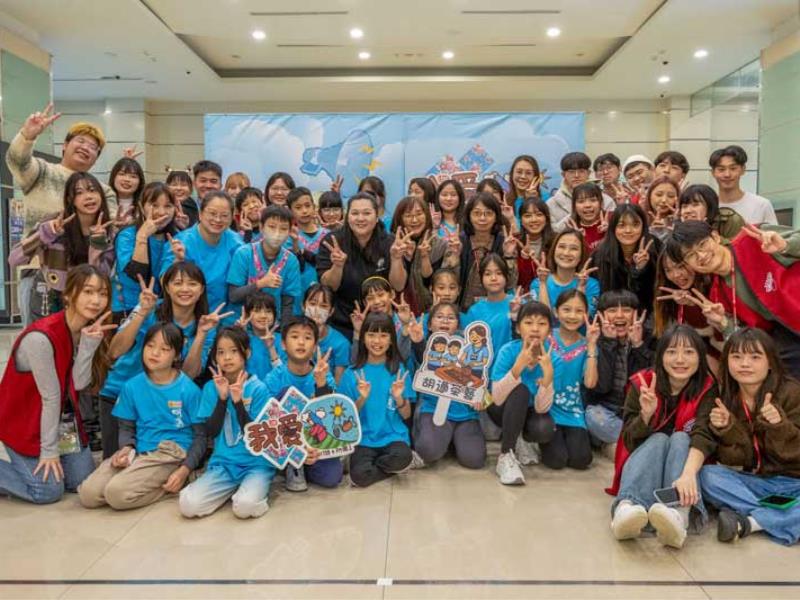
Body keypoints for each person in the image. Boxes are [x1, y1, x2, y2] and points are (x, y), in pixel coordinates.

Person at [0, 265, 115, 504]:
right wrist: (49, 452)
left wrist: (88, 345)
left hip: (61, 422)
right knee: (47, 491)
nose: (96, 300)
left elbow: (78, 384)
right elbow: (51, 398)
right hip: (24, 422)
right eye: (88, 291)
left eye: (102, 293)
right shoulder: (41, 337)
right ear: (68, 294)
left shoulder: (83, 330)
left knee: (80, 481)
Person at [674, 328, 800, 545]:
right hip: (756, 483)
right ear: (727, 361)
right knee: (707, 476)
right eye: (736, 357)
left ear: (770, 362)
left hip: (795, 483)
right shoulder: (722, 396)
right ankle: (777, 517)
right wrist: (729, 429)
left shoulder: (792, 392)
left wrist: (780, 426)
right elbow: (705, 438)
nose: (745, 364)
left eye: (755, 357)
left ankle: (750, 522)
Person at [608, 325, 716, 548]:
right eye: (672, 351)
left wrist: (688, 474)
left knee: (680, 438)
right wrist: (646, 416)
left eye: (689, 352)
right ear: (660, 356)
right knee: (659, 439)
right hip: (645, 466)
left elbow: (703, 435)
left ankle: (679, 515)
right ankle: (627, 508)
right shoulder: (643, 383)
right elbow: (628, 441)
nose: (680, 359)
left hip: (682, 471)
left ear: (700, 357)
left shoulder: (707, 388)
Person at [78, 322, 205, 510]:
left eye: (164, 349)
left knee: (116, 495)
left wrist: (185, 470)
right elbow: (126, 427)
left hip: (171, 452)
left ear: (177, 355)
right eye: (150, 346)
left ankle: (180, 483)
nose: (155, 353)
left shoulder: (188, 389)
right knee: (88, 495)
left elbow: (201, 437)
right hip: (139, 451)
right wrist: (126, 448)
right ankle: (137, 479)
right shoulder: (131, 386)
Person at [100, 262, 221, 457]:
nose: (185, 289)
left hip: (162, 402)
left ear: (201, 290)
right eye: (178, 283)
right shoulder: (149, 308)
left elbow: (188, 375)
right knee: (115, 462)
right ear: (167, 287)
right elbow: (114, 351)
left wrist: (201, 334)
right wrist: (141, 312)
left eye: (192, 284)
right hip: (120, 392)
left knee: (153, 465)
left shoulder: (206, 324)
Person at [667, 220, 800, 377]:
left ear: (715, 236)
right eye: (690, 255)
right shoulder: (717, 295)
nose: (701, 256)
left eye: (702, 244)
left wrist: (786, 246)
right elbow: (745, 337)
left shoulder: (752, 237)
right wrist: (723, 322)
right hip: (787, 342)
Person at [179, 326, 274, 519]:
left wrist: (238, 403)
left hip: (256, 464)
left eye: (234, 351)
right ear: (215, 357)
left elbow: (257, 435)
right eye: (221, 352)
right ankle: (229, 489)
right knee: (188, 505)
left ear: (247, 353)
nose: (227, 357)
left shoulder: (258, 388)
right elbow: (211, 432)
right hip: (223, 464)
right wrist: (222, 399)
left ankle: (250, 492)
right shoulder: (210, 388)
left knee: (244, 508)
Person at [9, 172, 116, 322]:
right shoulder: (53, 224)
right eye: (79, 193)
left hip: (85, 302)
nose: (88, 196)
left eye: (92, 190)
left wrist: (97, 246)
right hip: (50, 299)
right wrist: (45, 234)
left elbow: (101, 277)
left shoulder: (108, 231)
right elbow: (14, 259)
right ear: (70, 199)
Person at [6, 104, 116, 237]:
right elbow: (17, 162)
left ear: (96, 159)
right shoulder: (42, 171)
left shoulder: (103, 191)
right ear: (65, 145)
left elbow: (111, 226)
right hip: (37, 249)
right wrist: (26, 136)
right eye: (81, 141)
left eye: (93, 147)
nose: (85, 148)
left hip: (85, 250)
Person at [261, 316, 339, 492]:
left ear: (315, 345)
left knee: (332, 478)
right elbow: (266, 422)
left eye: (308, 337)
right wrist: (296, 449)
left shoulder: (324, 374)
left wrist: (321, 384)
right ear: (283, 344)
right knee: (286, 393)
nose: (301, 342)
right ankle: (293, 464)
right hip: (287, 439)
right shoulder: (274, 378)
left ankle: (307, 463)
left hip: (316, 438)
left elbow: (331, 418)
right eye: (295, 336)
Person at [316, 193, 408, 339]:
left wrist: (396, 259)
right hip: (343, 322)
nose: (360, 218)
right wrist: (337, 266)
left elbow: (398, 285)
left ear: (377, 217)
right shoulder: (333, 241)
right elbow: (328, 287)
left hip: (381, 322)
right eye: (355, 213)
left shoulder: (389, 242)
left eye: (366, 213)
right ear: (347, 217)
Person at [408, 302, 486, 470]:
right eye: (439, 317)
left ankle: (452, 440)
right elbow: (423, 358)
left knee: (475, 460)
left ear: (458, 324)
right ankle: (442, 438)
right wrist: (418, 341)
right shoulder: (426, 346)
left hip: (465, 414)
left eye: (451, 318)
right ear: (430, 325)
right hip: (433, 410)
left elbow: (480, 379)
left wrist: (480, 399)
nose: (445, 321)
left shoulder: (470, 350)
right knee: (428, 451)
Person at [339, 313, 414, 487]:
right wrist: (361, 398)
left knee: (403, 457)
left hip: (394, 437)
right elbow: (345, 419)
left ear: (391, 340)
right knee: (359, 477)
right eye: (371, 335)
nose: (377, 341)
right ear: (363, 338)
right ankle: (392, 469)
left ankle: (397, 465)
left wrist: (398, 397)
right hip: (363, 439)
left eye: (383, 335)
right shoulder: (351, 373)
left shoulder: (399, 371)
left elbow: (406, 415)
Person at [489, 301, 556, 484]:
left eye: (542, 324)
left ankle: (522, 439)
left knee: (544, 428)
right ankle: (505, 456)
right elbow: (497, 398)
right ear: (518, 328)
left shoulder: (551, 357)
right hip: (502, 408)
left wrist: (548, 377)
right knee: (521, 391)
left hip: (530, 411)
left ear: (549, 331)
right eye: (528, 322)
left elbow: (542, 409)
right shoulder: (508, 351)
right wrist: (517, 367)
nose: (535, 329)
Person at [584, 290, 654, 452]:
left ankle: (618, 444)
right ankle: (637, 442)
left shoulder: (650, 338)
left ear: (636, 314)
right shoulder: (596, 338)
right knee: (592, 416)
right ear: (601, 315)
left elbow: (649, 381)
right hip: (607, 407)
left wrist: (638, 346)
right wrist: (609, 343)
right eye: (612, 310)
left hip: (637, 408)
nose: (620, 315)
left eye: (627, 310)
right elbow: (601, 387)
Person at [539, 289, 599, 471]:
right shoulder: (546, 338)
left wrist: (591, 345)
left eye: (579, 311)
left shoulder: (587, 345)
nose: (572, 316)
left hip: (573, 412)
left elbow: (590, 383)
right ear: (556, 312)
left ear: (586, 314)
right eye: (566, 309)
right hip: (546, 409)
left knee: (582, 460)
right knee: (557, 460)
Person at [160, 191, 244, 318]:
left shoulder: (237, 243)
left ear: (232, 217)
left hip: (225, 317)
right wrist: (177, 260)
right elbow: (164, 283)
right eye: (212, 213)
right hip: (187, 316)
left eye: (224, 215)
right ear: (200, 214)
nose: (218, 219)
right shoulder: (181, 242)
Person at [110, 182, 180, 319]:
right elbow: (136, 274)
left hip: (161, 308)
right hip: (127, 308)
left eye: (168, 206)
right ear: (142, 207)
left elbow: (171, 281)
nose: (161, 212)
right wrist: (142, 236)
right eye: (154, 205)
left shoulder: (177, 237)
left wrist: (178, 260)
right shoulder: (127, 235)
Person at [228, 204, 301, 325]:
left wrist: (283, 332)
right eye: (272, 227)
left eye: (283, 229)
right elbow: (233, 296)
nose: (277, 233)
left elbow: (288, 303)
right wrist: (260, 284)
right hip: (241, 323)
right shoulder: (244, 254)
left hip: (272, 326)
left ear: (289, 232)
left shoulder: (291, 261)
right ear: (261, 227)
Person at [391, 195, 459, 314]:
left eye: (419, 214)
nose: (414, 220)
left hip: (435, 312)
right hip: (401, 311)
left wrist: (453, 254)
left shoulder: (440, 245)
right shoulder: (393, 244)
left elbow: (444, 284)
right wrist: (401, 259)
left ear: (427, 216)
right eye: (408, 215)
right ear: (400, 218)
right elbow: (398, 286)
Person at [457, 192, 520, 310]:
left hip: (496, 308)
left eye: (489, 213)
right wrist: (454, 255)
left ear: (496, 217)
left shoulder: (504, 242)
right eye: (477, 213)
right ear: (469, 216)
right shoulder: (459, 242)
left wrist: (508, 255)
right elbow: (450, 280)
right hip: (463, 309)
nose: (482, 218)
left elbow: (511, 283)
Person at [593, 203, 661, 314]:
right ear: (613, 228)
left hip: (648, 313)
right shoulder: (600, 254)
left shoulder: (655, 247)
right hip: (612, 315)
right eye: (621, 225)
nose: (628, 230)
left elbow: (656, 291)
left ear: (643, 227)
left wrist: (641, 269)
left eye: (635, 225)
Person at [529, 228, 600, 318]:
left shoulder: (591, 285)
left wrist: (581, 287)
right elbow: (542, 319)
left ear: (581, 254)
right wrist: (543, 283)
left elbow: (580, 320)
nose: (566, 253)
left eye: (574, 248)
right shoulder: (538, 283)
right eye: (562, 247)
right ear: (554, 250)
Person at [710, 145, 777, 225]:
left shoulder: (761, 205)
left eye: (733, 168)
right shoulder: (708, 207)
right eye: (721, 169)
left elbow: (773, 233)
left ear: (743, 170)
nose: (727, 174)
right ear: (713, 173)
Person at [547, 152, 614, 227]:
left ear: (588, 173)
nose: (576, 175)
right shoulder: (552, 203)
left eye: (581, 171)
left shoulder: (606, 200)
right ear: (563, 175)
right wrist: (574, 216)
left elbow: (615, 227)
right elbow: (550, 231)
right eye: (571, 172)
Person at [302, 284, 350, 384]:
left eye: (323, 306)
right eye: (312, 304)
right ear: (303, 306)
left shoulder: (341, 344)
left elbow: (338, 385)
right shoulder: (292, 336)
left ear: (331, 311)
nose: (317, 310)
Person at [287, 186, 329, 293]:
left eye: (307, 206)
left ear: (314, 207)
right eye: (298, 207)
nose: (304, 211)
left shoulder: (328, 235)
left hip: (323, 295)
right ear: (290, 211)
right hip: (296, 293)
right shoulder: (288, 238)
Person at [677, 183, 745, 240]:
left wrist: (703, 231)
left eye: (695, 205)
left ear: (710, 206)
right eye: (684, 206)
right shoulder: (678, 227)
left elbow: (735, 249)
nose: (688, 211)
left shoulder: (730, 221)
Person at [239, 293, 282, 381]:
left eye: (268, 311)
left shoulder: (283, 340)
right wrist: (241, 335)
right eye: (257, 311)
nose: (263, 316)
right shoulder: (242, 338)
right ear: (247, 315)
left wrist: (271, 348)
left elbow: (284, 374)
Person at [515, 197, 555, 291]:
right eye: (528, 216)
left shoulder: (556, 241)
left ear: (547, 219)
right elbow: (518, 282)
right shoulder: (514, 243)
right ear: (521, 220)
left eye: (539, 214)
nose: (534, 220)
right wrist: (524, 260)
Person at [563, 182, 608, 252]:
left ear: (601, 203)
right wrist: (578, 239)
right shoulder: (571, 228)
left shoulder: (612, 219)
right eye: (581, 201)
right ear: (574, 206)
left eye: (593, 200)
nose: (587, 205)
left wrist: (610, 232)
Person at [180, 161, 223, 227]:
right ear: (194, 183)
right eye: (203, 181)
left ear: (220, 185)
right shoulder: (183, 208)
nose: (208, 185)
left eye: (213, 181)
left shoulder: (229, 209)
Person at [505, 155, 543, 225]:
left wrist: (532, 201)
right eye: (519, 172)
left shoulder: (545, 199)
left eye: (528, 173)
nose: (523, 176)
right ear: (512, 174)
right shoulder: (504, 200)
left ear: (536, 177)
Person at [108, 157, 145, 227]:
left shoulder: (144, 205)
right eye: (122, 174)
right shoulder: (104, 201)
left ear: (140, 182)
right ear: (113, 177)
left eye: (133, 176)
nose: (127, 179)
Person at [642, 176, 680, 242]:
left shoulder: (683, 221)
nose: (664, 200)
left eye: (670, 196)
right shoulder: (640, 219)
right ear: (649, 196)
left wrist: (679, 223)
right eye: (659, 195)